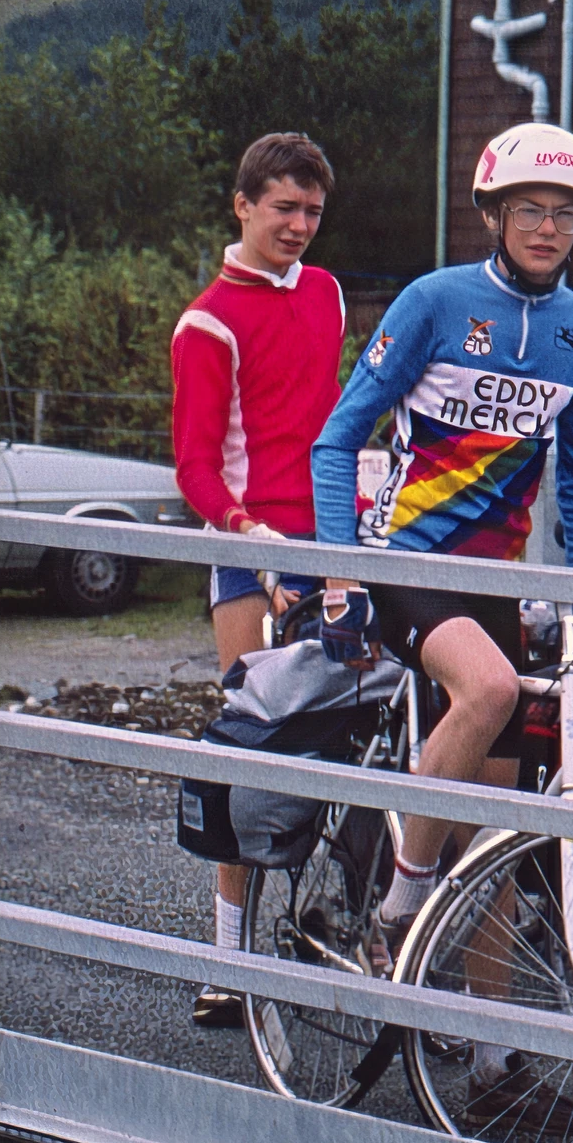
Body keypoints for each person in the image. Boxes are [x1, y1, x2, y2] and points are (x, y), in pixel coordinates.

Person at [308, 123, 573, 1085]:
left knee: (504, 831)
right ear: (492, 212)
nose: (549, 228)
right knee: (484, 694)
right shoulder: (436, 301)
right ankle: (400, 906)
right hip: (410, 558)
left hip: (501, 577)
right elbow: (335, 441)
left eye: (567, 214)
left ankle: (494, 1058)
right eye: (530, 209)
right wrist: (341, 574)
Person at [169, 131, 349, 1027]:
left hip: (332, 541)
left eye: (313, 212)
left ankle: (347, 928)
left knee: (356, 731)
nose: (300, 227)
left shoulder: (327, 293)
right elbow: (196, 469)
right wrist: (256, 538)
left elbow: (336, 420)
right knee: (250, 745)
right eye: (284, 208)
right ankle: (226, 962)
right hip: (247, 546)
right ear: (242, 205)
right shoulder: (207, 319)